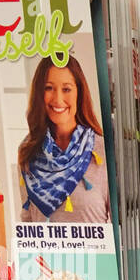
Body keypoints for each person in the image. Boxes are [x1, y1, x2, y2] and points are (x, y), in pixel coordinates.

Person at [18, 55, 111, 223]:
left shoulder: (103, 150)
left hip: (96, 250)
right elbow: (28, 220)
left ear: (79, 93)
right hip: (45, 250)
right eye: (48, 88)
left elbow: (118, 226)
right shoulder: (28, 151)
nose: (58, 99)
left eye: (66, 89)